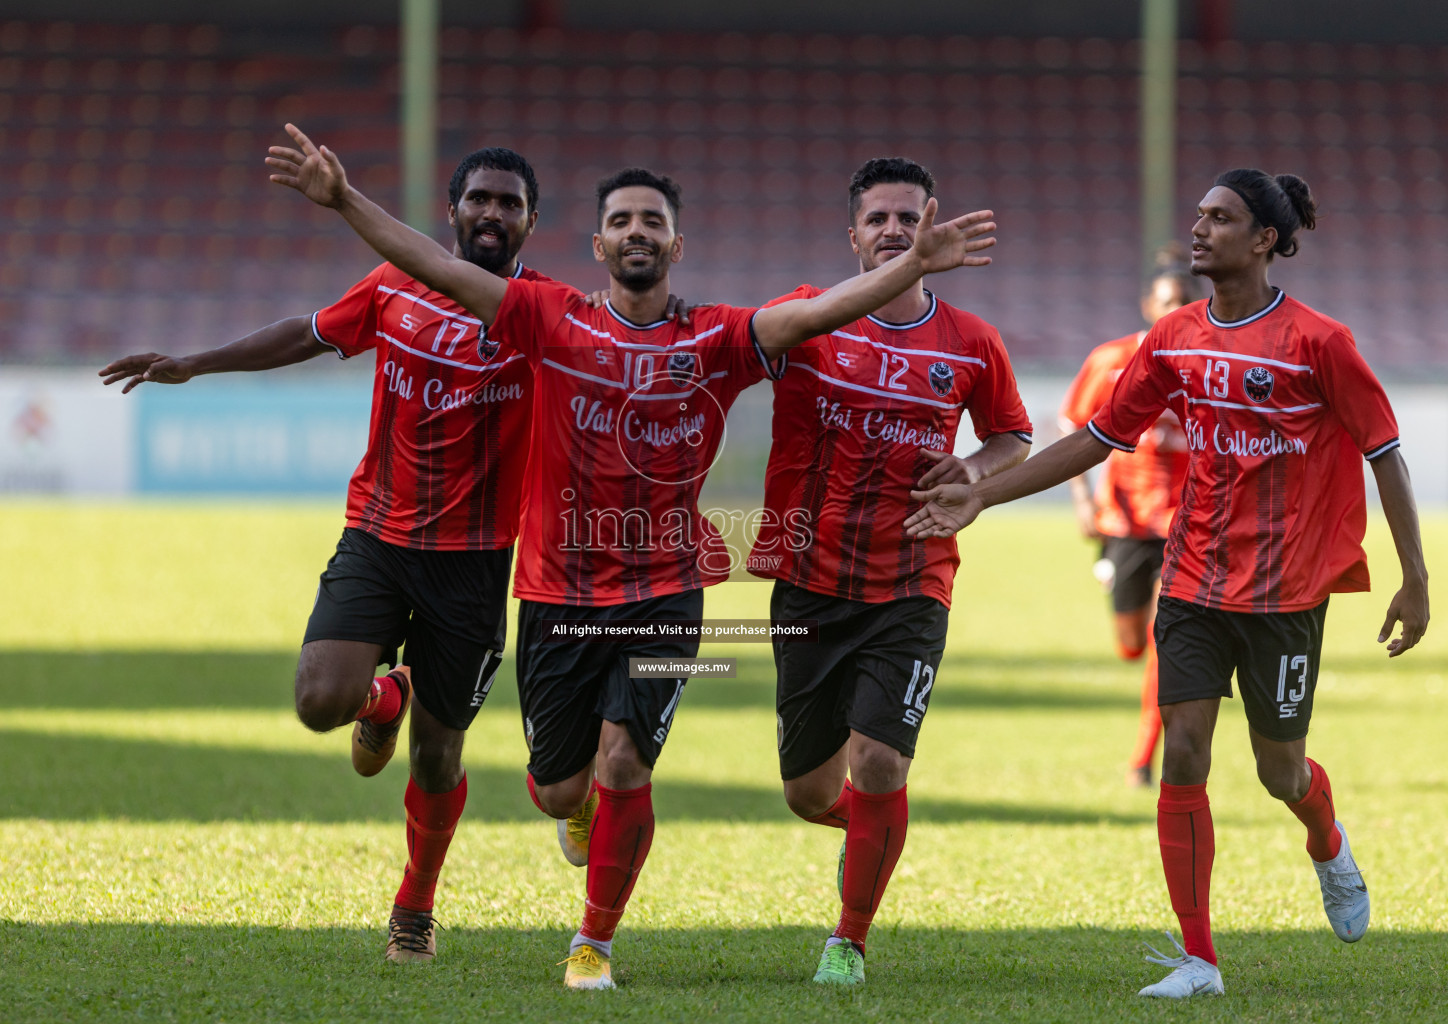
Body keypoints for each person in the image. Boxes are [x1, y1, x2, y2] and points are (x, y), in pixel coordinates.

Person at [266, 122, 998, 989]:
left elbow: (814, 314)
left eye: (655, 220)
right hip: (556, 593)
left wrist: (910, 267)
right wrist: (346, 198)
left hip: (666, 592)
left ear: (676, 243)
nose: (639, 231)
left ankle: (595, 945)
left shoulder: (719, 339)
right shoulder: (548, 317)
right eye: (624, 220)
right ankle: (557, 804)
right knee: (558, 791)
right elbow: (436, 267)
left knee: (625, 762)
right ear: (600, 242)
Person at [904, 169, 1429, 999]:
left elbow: (1384, 453)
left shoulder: (1319, 341)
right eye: (1198, 215)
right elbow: (1096, 439)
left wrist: (1416, 578)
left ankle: (1326, 843)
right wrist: (982, 492)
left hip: (1287, 591)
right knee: (1183, 750)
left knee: (1278, 771)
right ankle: (1199, 959)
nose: (1200, 229)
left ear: (1264, 240)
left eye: (1220, 218)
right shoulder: (1173, 336)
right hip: (1192, 577)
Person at [101, 148, 557, 966]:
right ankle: (384, 699)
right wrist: (195, 364)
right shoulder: (392, 288)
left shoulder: (544, 314)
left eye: (510, 203)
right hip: (378, 539)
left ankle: (413, 910)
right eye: (480, 199)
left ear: (531, 221)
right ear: (453, 211)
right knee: (319, 702)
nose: (493, 213)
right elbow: (307, 334)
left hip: (477, 563)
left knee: (439, 754)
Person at [747, 157, 1032, 986]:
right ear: (853, 235)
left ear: (932, 221)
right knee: (808, 792)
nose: (895, 231)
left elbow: (1012, 437)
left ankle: (849, 940)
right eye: (879, 219)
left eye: (909, 217)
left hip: (912, 581)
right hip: (807, 578)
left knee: (879, 761)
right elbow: (737, 350)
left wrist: (973, 472)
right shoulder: (804, 318)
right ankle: (882, 826)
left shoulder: (971, 343)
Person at [1059, 251, 1198, 787]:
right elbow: (1075, 428)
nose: (1176, 310)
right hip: (1123, 523)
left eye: (1187, 302)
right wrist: (1081, 500)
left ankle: (1144, 757)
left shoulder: (1213, 366)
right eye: (1168, 302)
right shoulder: (1113, 360)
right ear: (1148, 306)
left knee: (1168, 641)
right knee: (1130, 645)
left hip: (1187, 527)